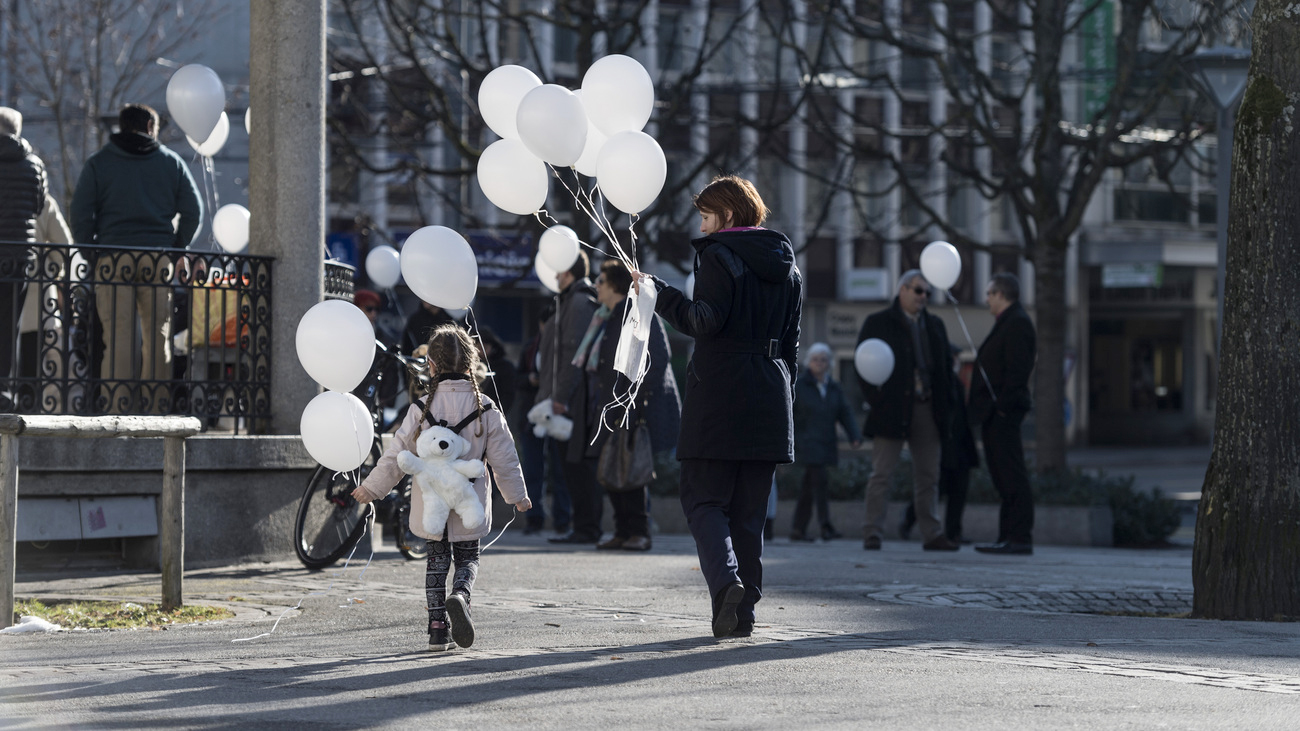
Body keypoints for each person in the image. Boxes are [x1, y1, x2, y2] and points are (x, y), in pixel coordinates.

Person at [642, 175, 803, 639]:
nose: (703, 225)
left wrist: (660, 294)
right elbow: (791, 344)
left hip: (721, 393)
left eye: (707, 216)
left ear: (728, 216)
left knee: (702, 500)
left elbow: (702, 320)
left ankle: (727, 582)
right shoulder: (788, 266)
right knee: (750, 515)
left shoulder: (718, 255)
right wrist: (783, 396)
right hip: (771, 394)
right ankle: (739, 615)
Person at [352, 323, 532, 651]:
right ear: (471, 364)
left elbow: (397, 455)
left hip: (431, 502)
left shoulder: (420, 409)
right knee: (468, 559)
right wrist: (517, 497)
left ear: (431, 366)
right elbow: (505, 458)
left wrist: (371, 489)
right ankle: (460, 595)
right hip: (469, 501)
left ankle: (437, 629)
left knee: (436, 560)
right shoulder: (486, 408)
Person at [70, 103, 202, 414]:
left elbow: (79, 213)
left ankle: (118, 410)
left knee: (118, 336)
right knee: (158, 336)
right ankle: (156, 411)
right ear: (151, 128)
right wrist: (176, 247)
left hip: (113, 257)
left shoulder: (99, 163)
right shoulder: (171, 163)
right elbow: (193, 211)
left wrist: (91, 253)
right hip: (157, 258)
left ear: (121, 126)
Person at [856, 270, 961, 552]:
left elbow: (944, 371)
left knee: (929, 475)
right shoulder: (878, 322)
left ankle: (932, 533)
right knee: (882, 474)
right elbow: (863, 366)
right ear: (902, 290)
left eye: (927, 292)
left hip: (928, 409)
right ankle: (872, 532)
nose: (923, 297)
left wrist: (947, 405)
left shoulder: (935, 325)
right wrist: (878, 402)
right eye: (918, 291)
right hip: (891, 410)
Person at [584, 259, 680, 552]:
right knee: (612, 465)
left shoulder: (638, 312)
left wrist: (634, 400)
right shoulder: (608, 315)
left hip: (630, 405)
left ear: (614, 285)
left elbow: (658, 359)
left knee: (632, 468)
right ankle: (622, 530)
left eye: (600, 281)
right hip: (610, 403)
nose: (595, 286)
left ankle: (639, 531)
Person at [969, 272, 1037, 555]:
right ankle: (1007, 535)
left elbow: (1018, 371)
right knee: (1001, 474)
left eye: (989, 294)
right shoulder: (1008, 322)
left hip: (1003, 413)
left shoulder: (1017, 323)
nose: (986, 300)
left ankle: (1019, 537)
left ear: (1001, 295)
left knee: (1011, 473)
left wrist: (1002, 409)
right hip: (995, 413)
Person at [537, 251, 602, 545]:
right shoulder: (569, 301)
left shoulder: (578, 302)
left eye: (559, 271)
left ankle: (587, 528)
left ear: (569, 273)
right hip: (565, 399)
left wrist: (560, 396)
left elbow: (574, 353)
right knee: (569, 467)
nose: (554, 277)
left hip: (572, 402)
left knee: (577, 467)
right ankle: (583, 526)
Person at [900, 344, 979, 543]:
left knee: (958, 491)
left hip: (961, 446)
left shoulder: (957, 383)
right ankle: (909, 520)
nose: (956, 362)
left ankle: (954, 531)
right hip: (943, 446)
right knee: (935, 486)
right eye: (953, 357)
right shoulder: (938, 383)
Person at [0, 106, 48, 408]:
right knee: (9, 325)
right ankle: (3, 390)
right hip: (20, 257)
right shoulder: (34, 164)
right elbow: (39, 205)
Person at [791, 342, 861, 542]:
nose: (819, 363)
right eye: (815, 359)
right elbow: (791, 414)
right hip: (807, 443)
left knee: (809, 487)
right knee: (819, 483)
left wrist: (854, 435)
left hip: (826, 442)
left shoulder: (834, 387)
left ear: (829, 363)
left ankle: (798, 528)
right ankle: (825, 525)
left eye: (823, 360)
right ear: (808, 362)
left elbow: (845, 412)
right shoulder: (800, 385)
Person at [516, 307, 570, 535]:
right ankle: (534, 517)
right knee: (532, 470)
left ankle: (562, 518)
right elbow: (517, 378)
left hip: (558, 414)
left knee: (561, 471)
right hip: (533, 414)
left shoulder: (565, 347)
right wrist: (530, 380)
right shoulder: (531, 347)